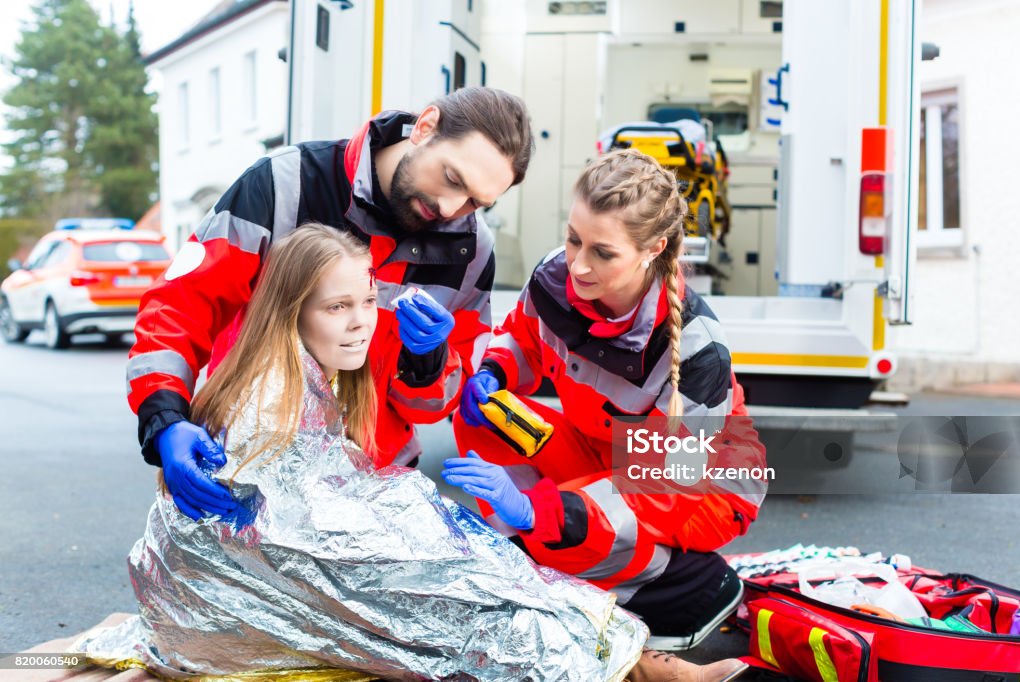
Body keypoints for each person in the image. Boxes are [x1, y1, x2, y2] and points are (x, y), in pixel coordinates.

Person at [78, 224, 745, 682]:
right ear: (291, 311)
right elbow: (284, 522)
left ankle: (630, 654)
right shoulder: (269, 387)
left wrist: (429, 367)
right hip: (229, 589)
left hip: (283, 551)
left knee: (477, 561)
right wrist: (412, 515)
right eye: (339, 306)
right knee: (464, 587)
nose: (363, 319)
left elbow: (392, 433)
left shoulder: (696, 354)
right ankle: (638, 662)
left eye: (368, 300)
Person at [126, 86, 532, 522]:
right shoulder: (286, 184)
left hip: (372, 489)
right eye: (452, 178)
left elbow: (435, 405)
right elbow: (182, 305)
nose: (452, 207)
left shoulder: (471, 248)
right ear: (426, 126)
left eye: (475, 202)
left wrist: (427, 361)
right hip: (248, 467)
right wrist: (165, 417)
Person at [445, 148, 767, 652]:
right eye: (574, 239)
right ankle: (534, 555)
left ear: (654, 248)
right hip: (602, 446)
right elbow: (523, 339)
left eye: (603, 252)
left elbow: (666, 488)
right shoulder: (555, 277)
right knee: (489, 418)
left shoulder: (698, 352)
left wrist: (545, 511)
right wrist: (493, 371)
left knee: (567, 526)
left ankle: (685, 588)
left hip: (701, 489)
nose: (578, 264)